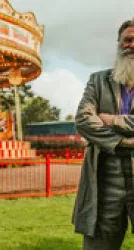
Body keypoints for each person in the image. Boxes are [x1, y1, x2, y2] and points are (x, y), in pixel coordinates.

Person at [73, 19, 134, 250]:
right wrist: (124, 142)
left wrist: (112, 120)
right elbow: (83, 120)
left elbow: (97, 123)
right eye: (127, 39)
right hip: (104, 179)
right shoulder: (98, 80)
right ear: (119, 43)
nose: (131, 45)